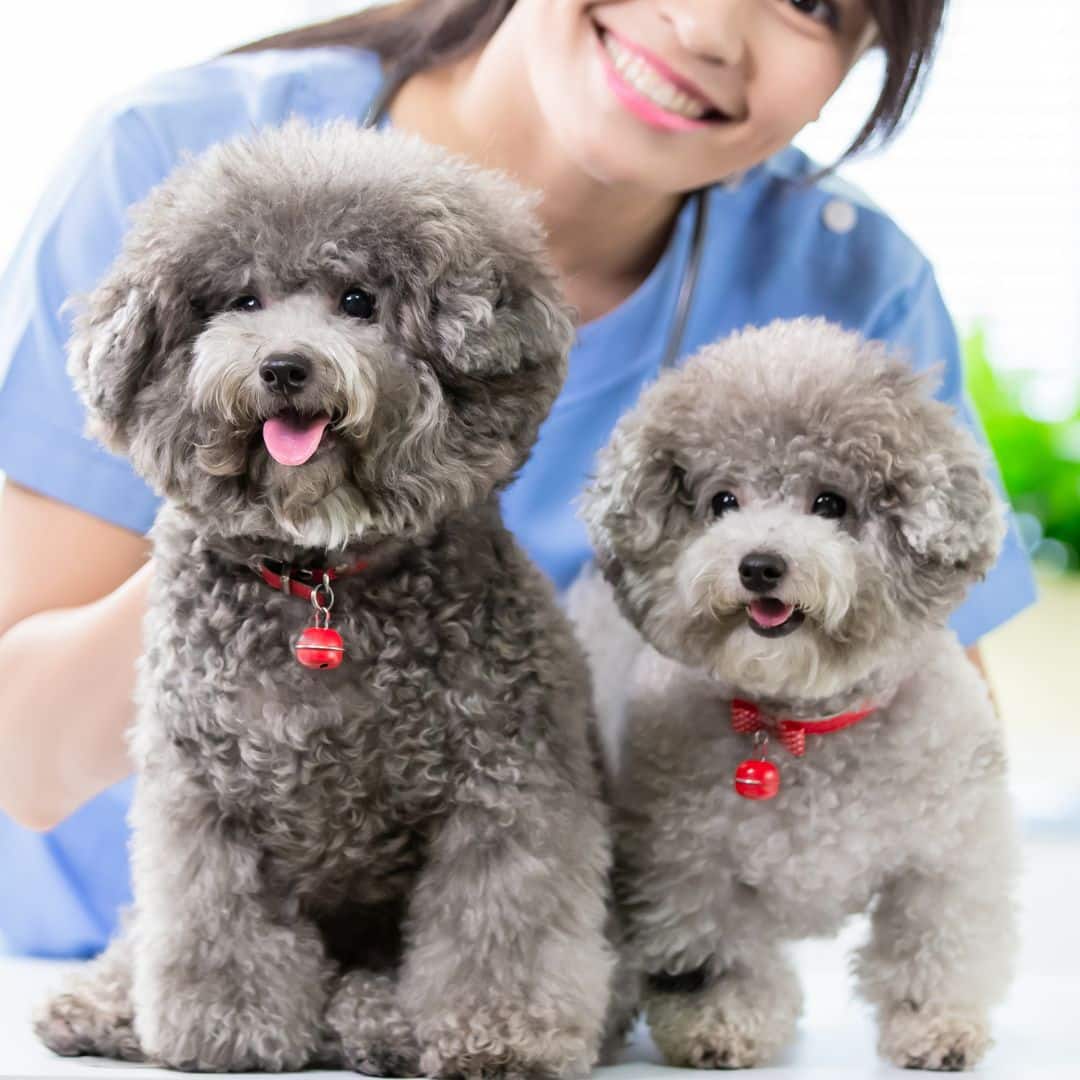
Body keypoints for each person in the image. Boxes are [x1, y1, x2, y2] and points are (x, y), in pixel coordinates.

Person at [0, 0, 1035, 958]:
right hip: (116, 984)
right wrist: (278, 540)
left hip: (538, 997)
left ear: (865, 61)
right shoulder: (175, 160)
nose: (708, 25)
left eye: (812, 0)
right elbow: (21, 762)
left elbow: (941, 767)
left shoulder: (846, 278)